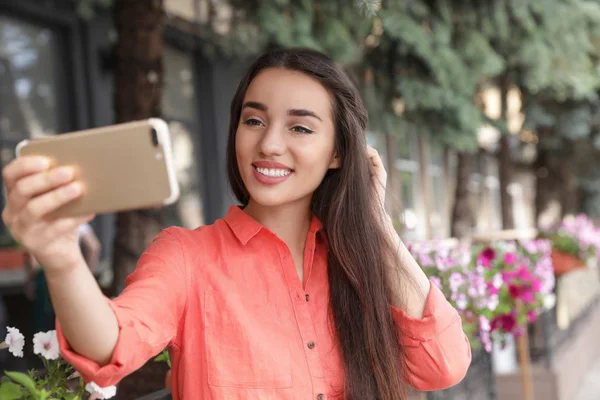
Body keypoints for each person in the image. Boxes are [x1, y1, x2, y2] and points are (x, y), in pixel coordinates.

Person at [1, 48, 471, 400]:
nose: (268, 144)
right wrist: (62, 259)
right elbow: (110, 347)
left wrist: (375, 221)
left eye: (300, 128)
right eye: (254, 120)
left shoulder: (356, 263)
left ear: (338, 153)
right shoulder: (186, 256)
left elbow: (443, 366)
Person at [27, 222, 101, 333]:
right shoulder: (76, 220)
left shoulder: (41, 222)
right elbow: (94, 247)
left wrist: (30, 281)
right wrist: (88, 274)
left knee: (45, 325)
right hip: (72, 277)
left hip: (46, 277)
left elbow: (33, 262)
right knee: (70, 321)